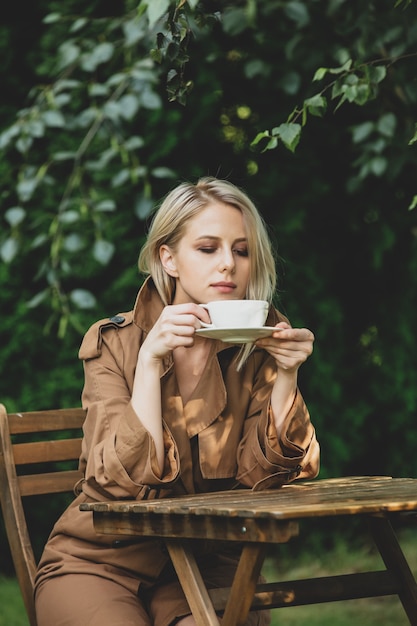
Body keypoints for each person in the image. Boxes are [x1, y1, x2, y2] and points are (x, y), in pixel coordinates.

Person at [34, 176, 320, 626]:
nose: (228, 264)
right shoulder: (116, 343)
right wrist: (149, 362)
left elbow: (264, 487)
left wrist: (287, 374)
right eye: (208, 248)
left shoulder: (259, 346)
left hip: (205, 567)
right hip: (101, 562)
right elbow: (113, 485)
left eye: (241, 251)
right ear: (168, 258)